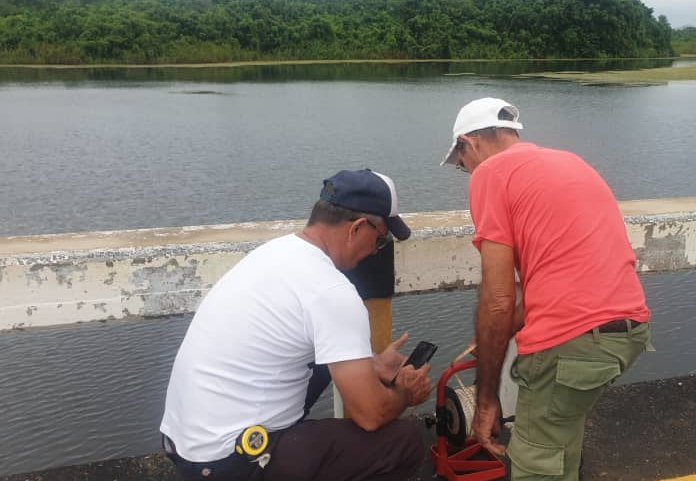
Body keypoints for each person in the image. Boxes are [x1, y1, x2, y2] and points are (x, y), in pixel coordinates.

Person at [160, 169, 433, 481]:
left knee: (322, 362)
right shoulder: (331, 290)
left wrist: (371, 365)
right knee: (404, 441)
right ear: (357, 228)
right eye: (380, 238)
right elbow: (370, 415)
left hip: (186, 449)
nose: (375, 250)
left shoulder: (275, 253)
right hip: (230, 464)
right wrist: (405, 393)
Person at [440, 98, 652, 481]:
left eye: (460, 164)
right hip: (628, 330)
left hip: (575, 343)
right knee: (560, 439)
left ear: (467, 143)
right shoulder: (569, 162)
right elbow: (556, 279)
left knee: (534, 464)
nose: (466, 172)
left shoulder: (491, 174)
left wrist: (486, 399)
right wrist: (495, 334)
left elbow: (499, 298)